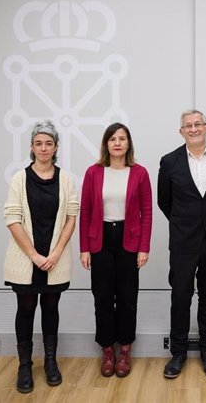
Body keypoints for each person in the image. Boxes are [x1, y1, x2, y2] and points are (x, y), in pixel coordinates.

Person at [157, 109, 206, 379]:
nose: (193, 129)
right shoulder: (169, 162)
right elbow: (164, 201)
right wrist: (185, 222)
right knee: (180, 298)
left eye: (197, 124)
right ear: (181, 131)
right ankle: (177, 354)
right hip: (183, 241)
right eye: (187, 126)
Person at [3, 120, 79, 393]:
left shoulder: (67, 179)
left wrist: (55, 253)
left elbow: (71, 217)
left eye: (49, 143)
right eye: (38, 143)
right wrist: (34, 255)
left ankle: (50, 361)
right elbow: (12, 219)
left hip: (55, 260)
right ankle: (25, 365)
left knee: (51, 308)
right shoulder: (19, 179)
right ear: (32, 147)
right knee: (25, 309)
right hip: (26, 259)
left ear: (56, 147)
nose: (43, 148)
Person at [79, 122, 153, 378]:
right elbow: (86, 211)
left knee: (127, 297)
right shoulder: (93, 172)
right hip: (99, 239)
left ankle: (124, 350)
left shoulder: (140, 173)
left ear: (128, 143)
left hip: (128, 240)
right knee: (102, 297)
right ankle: (107, 349)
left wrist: (144, 247)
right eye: (113, 139)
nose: (117, 143)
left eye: (122, 138)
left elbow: (147, 212)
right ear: (106, 144)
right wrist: (84, 248)